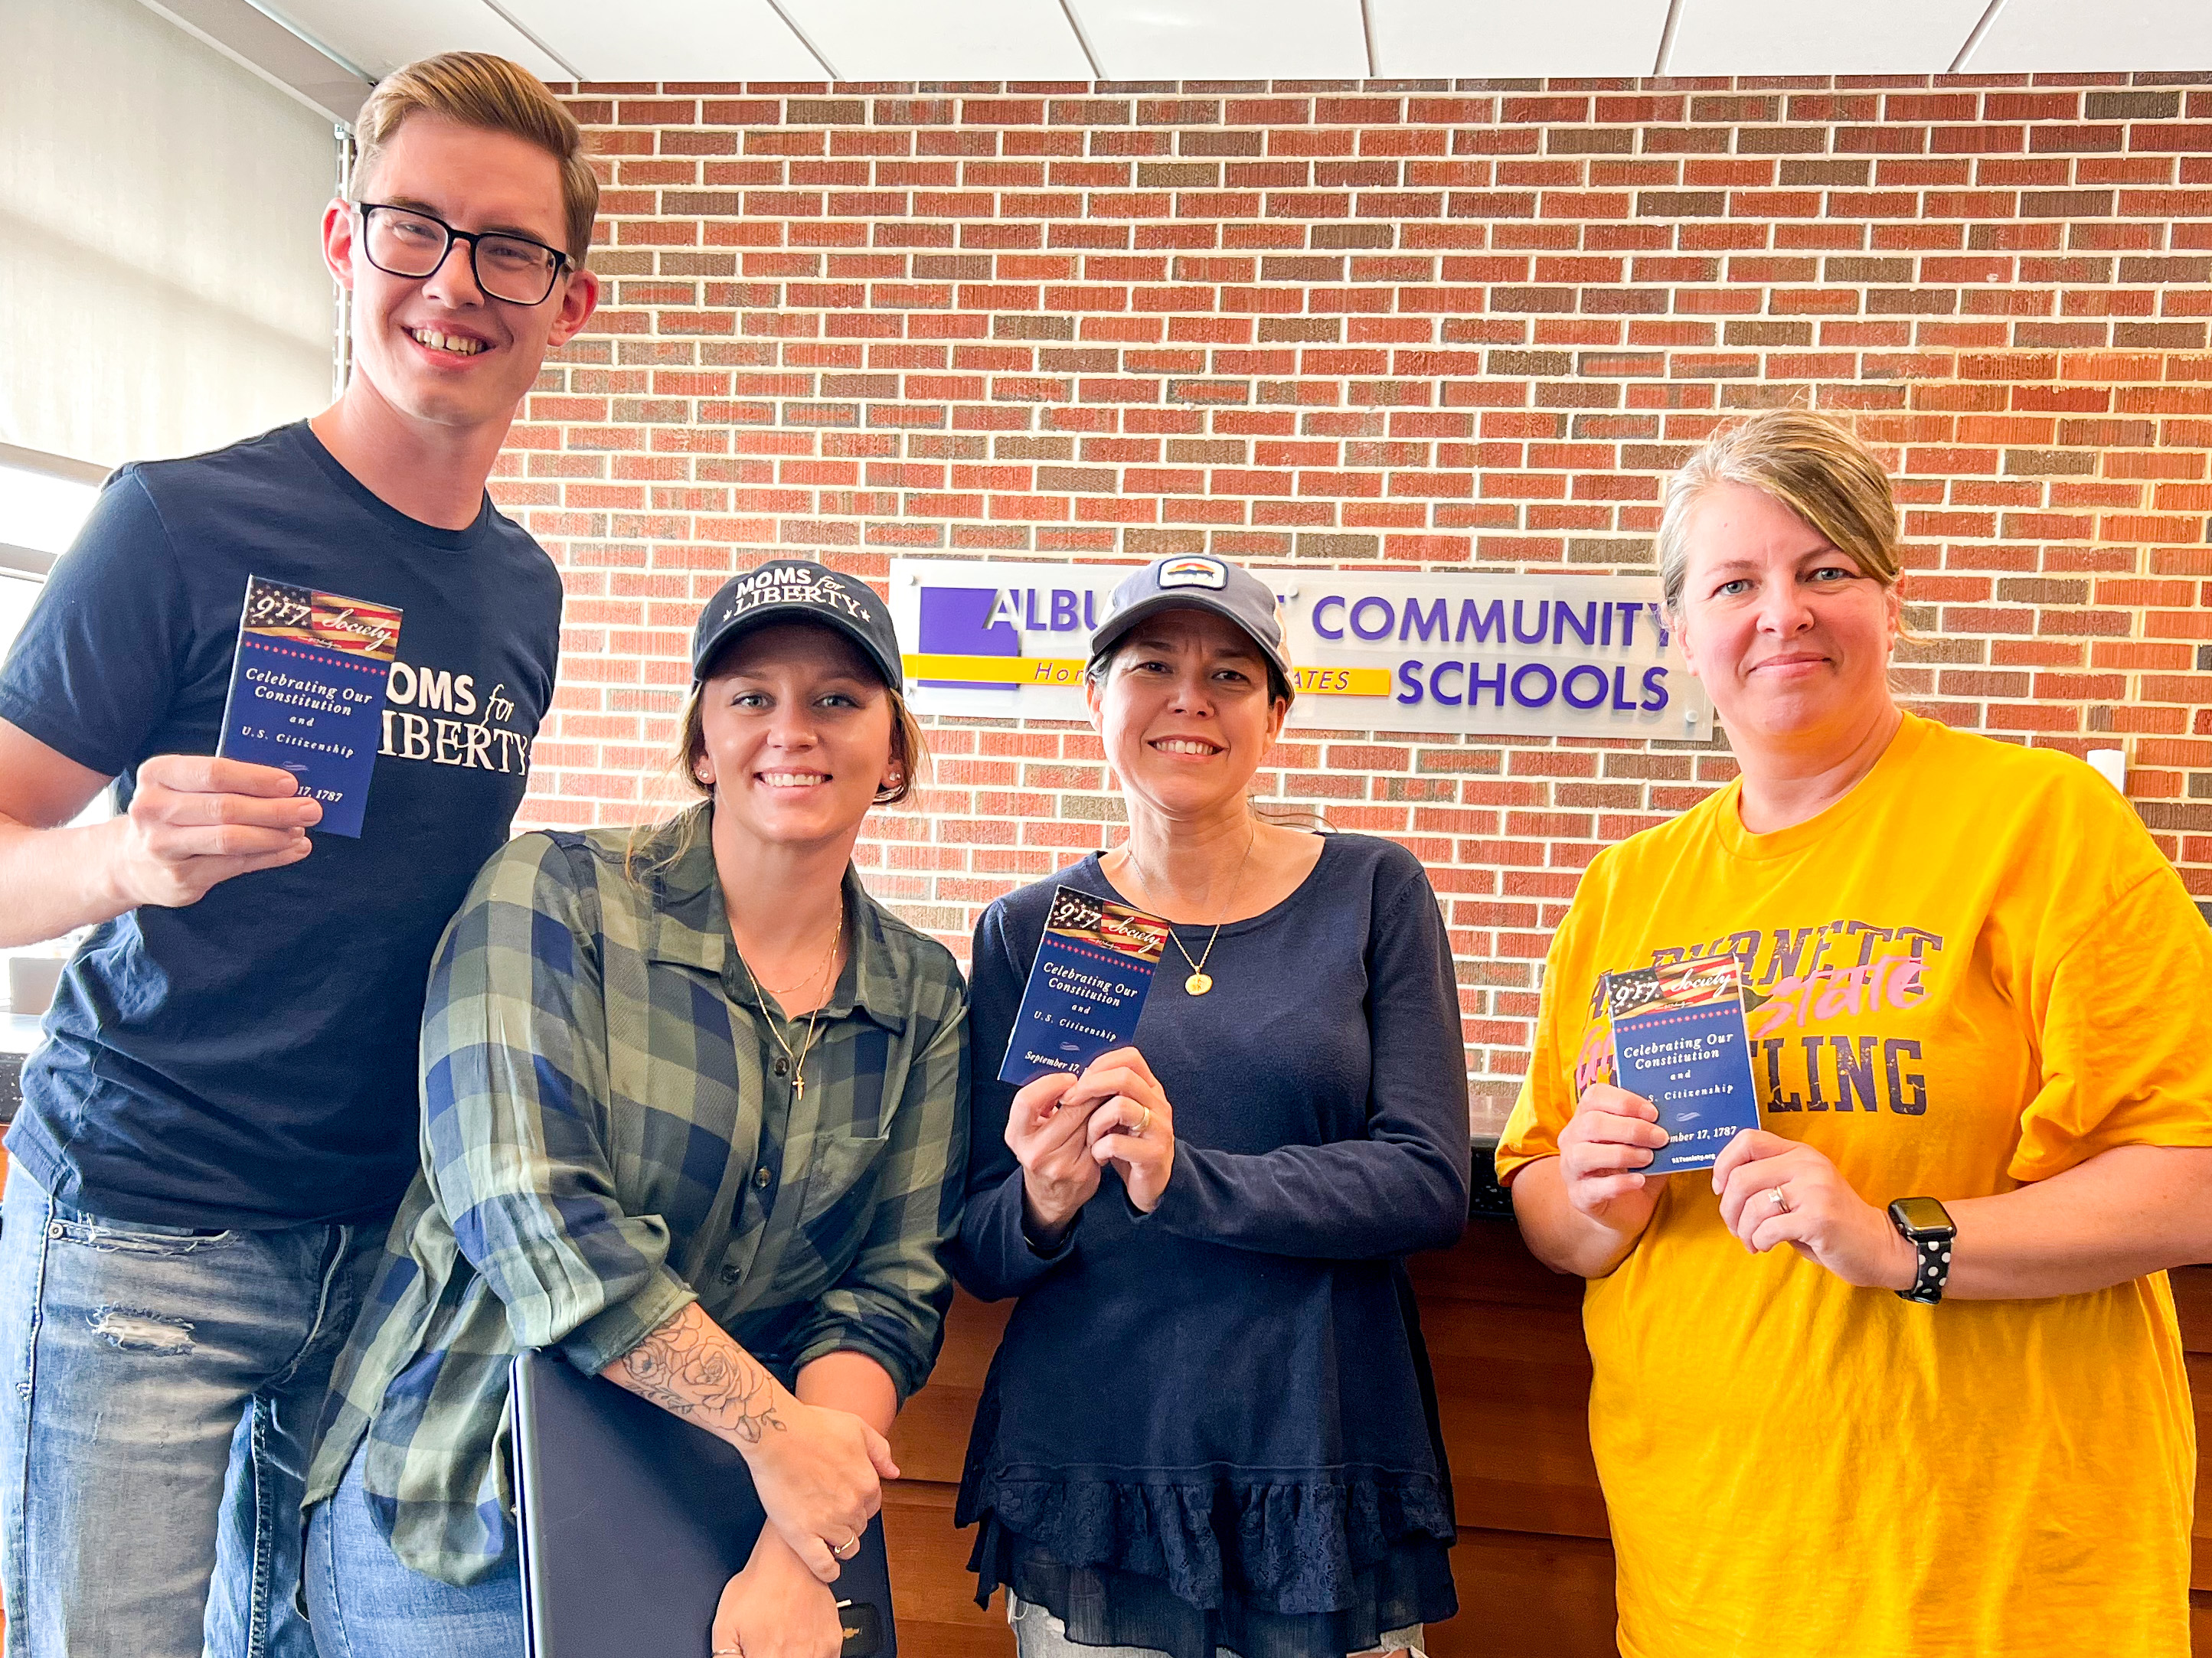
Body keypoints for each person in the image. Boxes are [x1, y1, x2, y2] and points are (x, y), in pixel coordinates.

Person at [0, 52, 598, 1658]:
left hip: (389, 1248)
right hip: (145, 1230)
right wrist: (124, 859)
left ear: (569, 303)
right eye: (415, 228)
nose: (454, 283)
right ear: (344, 240)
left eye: (509, 249)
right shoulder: (178, 523)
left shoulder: (524, 593)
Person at [1498, 408, 2212, 1658]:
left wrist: (1898, 1240)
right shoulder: (1627, 888)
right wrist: (1597, 1196)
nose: (1782, 612)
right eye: (1734, 582)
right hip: (1707, 1576)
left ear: (1890, 598)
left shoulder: (2042, 824)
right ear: (1681, 631)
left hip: (1995, 1581)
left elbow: (2192, 1177)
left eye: (1823, 569)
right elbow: (1550, 1211)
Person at [300, 560, 969, 1658]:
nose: (792, 729)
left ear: (893, 751)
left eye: (837, 699)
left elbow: (888, 1291)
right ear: (703, 743)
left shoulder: (922, 994)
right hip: (460, 1513)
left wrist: (795, 1546)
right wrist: (777, 1438)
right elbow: (531, 1213)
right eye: (750, 697)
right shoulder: (553, 894)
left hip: (723, 1532)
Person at [952, 555, 1470, 1658]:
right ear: (1095, 698)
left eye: (1230, 674)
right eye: (1152, 666)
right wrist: (1043, 1200)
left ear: (1275, 715)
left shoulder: (1373, 891)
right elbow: (983, 1243)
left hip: (1317, 1445)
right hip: (1100, 1462)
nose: (1189, 698)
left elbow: (1428, 1180)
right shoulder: (1026, 928)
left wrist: (1184, 1177)